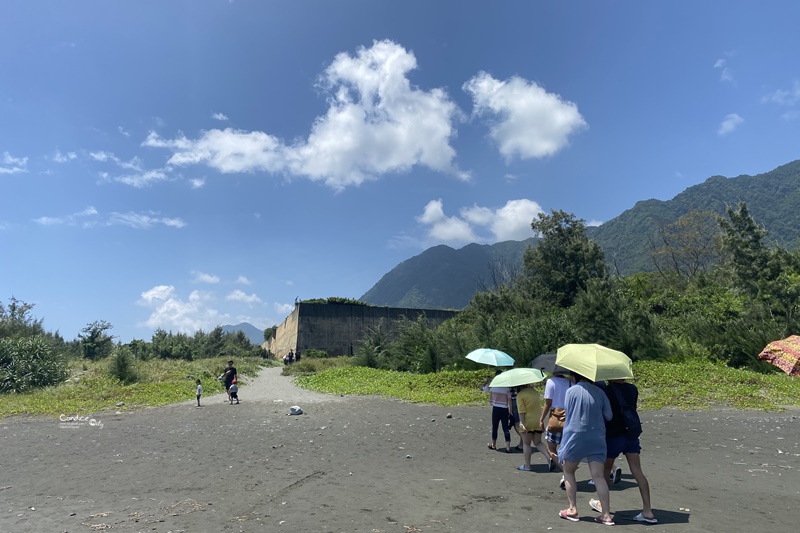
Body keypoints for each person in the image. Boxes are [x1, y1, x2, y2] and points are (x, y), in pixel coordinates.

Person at [588, 379, 657, 524]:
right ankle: (648, 510)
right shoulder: (632, 389)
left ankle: (603, 505)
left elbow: (606, 414)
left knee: (605, 470)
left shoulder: (606, 391)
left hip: (613, 435)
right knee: (637, 471)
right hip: (631, 433)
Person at [557, 371, 614, 526]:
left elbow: (567, 411)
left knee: (568, 471)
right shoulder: (600, 392)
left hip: (575, 436)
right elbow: (608, 415)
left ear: (575, 376)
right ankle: (606, 515)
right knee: (598, 476)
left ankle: (572, 509)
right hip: (596, 436)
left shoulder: (571, 391)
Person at [516, 382, 555, 471]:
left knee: (526, 443)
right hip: (537, 420)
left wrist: (521, 423)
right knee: (538, 442)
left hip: (527, 421)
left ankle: (527, 466)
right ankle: (549, 458)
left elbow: (521, 411)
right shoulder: (534, 392)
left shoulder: (520, 395)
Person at [539, 372, 570, 473]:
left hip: (555, 418)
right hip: (568, 417)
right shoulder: (570, 382)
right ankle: (566, 470)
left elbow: (548, 403)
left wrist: (541, 419)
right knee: (565, 448)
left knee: (550, 448)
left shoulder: (551, 381)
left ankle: (565, 471)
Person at [482, 370, 512, 453]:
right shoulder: (506, 388)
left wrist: (487, 380)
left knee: (495, 427)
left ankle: (494, 444)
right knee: (505, 428)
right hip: (504, 409)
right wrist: (511, 411)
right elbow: (509, 400)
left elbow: (483, 389)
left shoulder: (493, 387)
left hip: (496, 409)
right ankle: (508, 447)